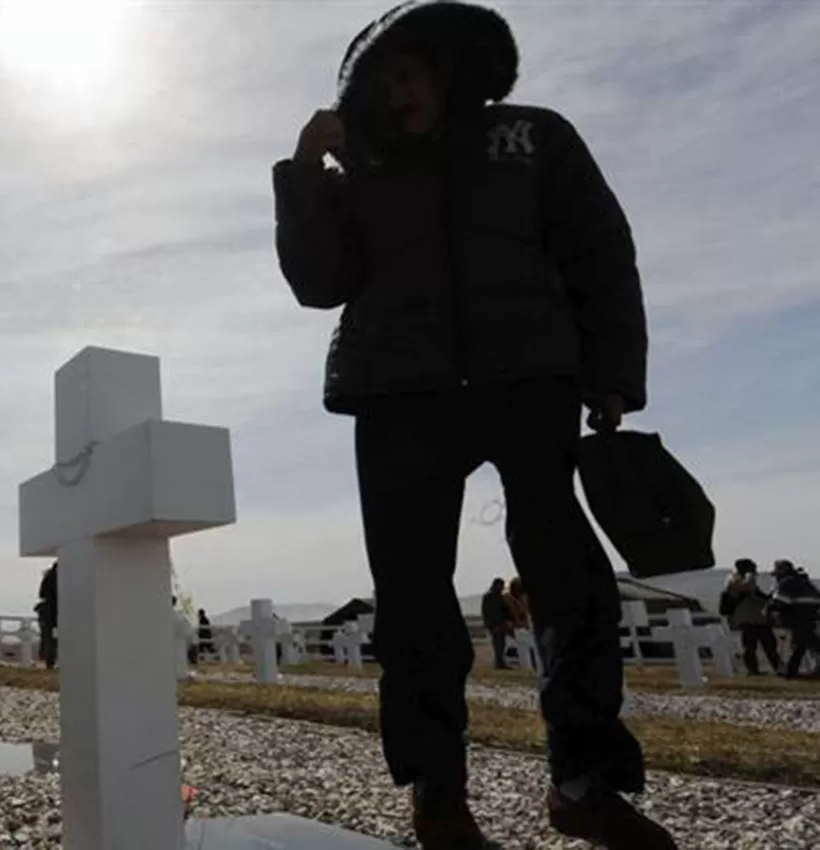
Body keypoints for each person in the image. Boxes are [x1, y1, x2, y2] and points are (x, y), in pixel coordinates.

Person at [272, 3, 672, 847]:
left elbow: (600, 250)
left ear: (447, 68)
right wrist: (306, 174)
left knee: (572, 586)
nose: (399, 93)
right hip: (396, 393)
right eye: (382, 83)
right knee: (414, 601)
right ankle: (438, 793)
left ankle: (584, 782)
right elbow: (318, 282)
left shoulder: (534, 138)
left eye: (410, 73)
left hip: (530, 379)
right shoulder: (362, 170)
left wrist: (613, 378)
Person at [721, 559, 781, 675]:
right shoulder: (734, 579)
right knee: (750, 645)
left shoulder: (747, 582)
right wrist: (751, 576)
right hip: (745, 618)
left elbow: (762, 599)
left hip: (757, 618)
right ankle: (753, 670)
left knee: (770, 644)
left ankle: (778, 668)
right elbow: (747, 587)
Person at [769, 560, 820, 679]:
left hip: (796, 618)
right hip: (809, 617)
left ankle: (789, 673)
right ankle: (790, 673)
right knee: (801, 645)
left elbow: (780, 602)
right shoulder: (804, 582)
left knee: (811, 644)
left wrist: (769, 608)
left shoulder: (786, 583)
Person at [480, 578, 510, 669]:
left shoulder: (490, 596)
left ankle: (499, 662)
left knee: (499, 644)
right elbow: (489, 612)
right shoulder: (494, 597)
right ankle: (499, 663)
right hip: (496, 624)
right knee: (499, 644)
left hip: (496, 624)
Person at [35, 562, 59, 669]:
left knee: (48, 637)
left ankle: (48, 660)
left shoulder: (49, 576)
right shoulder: (59, 576)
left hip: (48, 612)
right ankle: (50, 660)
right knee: (52, 638)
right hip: (54, 611)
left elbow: (41, 594)